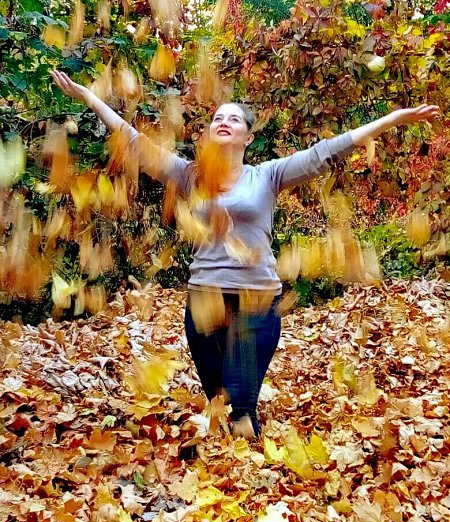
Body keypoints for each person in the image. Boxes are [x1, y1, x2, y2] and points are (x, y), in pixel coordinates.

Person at [50, 69, 439, 439]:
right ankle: (224, 470)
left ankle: (252, 470)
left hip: (256, 298)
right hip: (205, 297)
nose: (224, 122)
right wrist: (89, 97)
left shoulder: (267, 175)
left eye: (234, 119)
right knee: (218, 400)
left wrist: (391, 120)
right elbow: (136, 143)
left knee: (241, 409)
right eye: (218, 118)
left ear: (248, 138)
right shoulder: (189, 175)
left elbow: (325, 152)